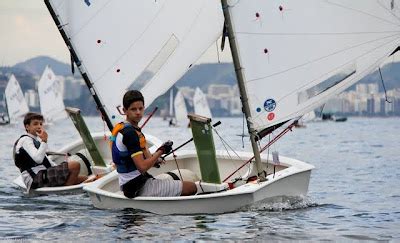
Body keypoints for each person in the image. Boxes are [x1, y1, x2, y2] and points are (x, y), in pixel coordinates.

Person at [111, 90, 197, 198]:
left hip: (130, 184)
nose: (138, 112)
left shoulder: (123, 127)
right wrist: (161, 151)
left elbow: (136, 160)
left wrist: (156, 160)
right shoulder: (130, 134)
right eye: (133, 109)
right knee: (192, 187)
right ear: (125, 110)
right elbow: (142, 167)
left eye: (140, 108)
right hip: (137, 187)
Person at [13, 112, 92, 192]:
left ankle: (67, 187)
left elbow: (47, 161)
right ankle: (66, 192)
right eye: (35, 124)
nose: (39, 126)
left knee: (83, 178)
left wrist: (60, 168)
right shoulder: (25, 140)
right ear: (27, 127)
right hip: (34, 178)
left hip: (42, 174)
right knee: (75, 165)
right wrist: (44, 141)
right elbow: (38, 159)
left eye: (41, 124)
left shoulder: (35, 141)